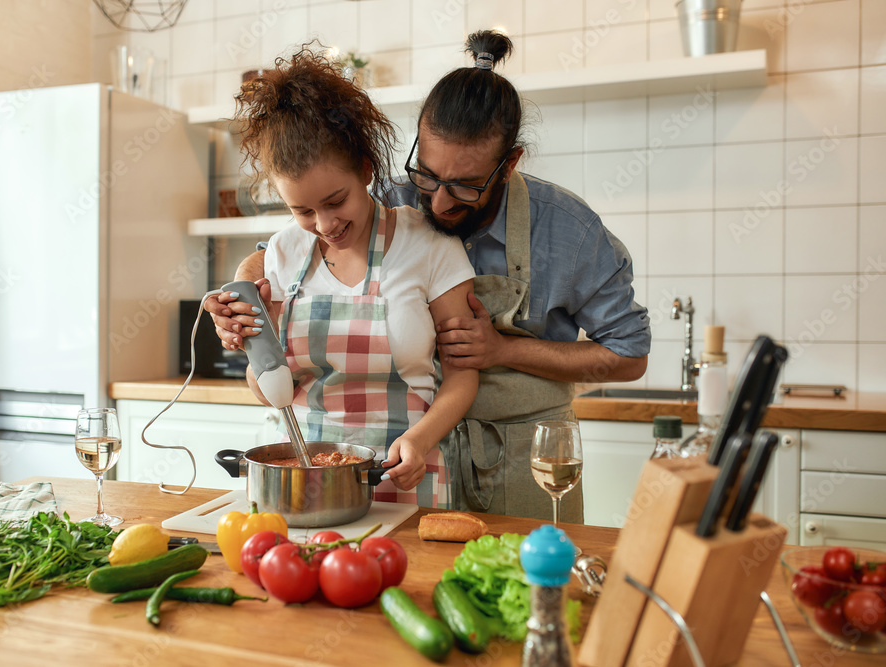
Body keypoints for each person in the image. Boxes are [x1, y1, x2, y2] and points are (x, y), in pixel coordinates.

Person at [213, 32, 651, 522]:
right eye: (426, 173)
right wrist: (240, 300)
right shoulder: (387, 196)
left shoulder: (568, 230)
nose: (438, 202)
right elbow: (290, 250)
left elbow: (629, 356)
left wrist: (504, 350)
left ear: (508, 166)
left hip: (518, 457)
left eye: (464, 187)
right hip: (404, 467)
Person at [205, 46, 479, 506]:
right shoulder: (282, 252)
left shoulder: (428, 246)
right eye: (302, 210)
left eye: (336, 201)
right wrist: (255, 346)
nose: (325, 224)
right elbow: (272, 390)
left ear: (366, 170)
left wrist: (422, 440)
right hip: (305, 485)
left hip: (404, 475)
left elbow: (462, 378)